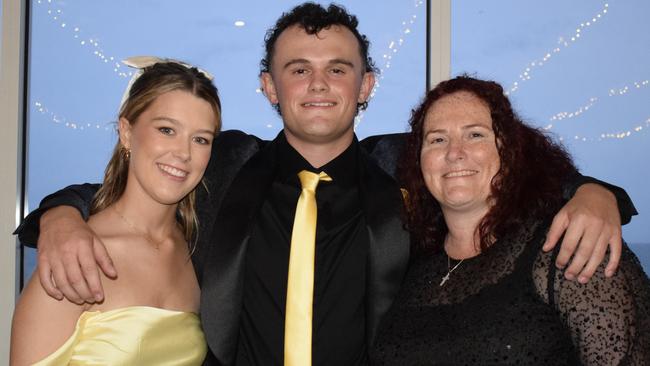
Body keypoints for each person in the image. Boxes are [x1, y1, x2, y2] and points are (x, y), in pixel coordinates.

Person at [15, 3, 636, 365]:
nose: (318, 85)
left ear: (366, 87)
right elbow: (125, 182)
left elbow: (505, 165)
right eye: (298, 69)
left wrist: (597, 193)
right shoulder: (222, 164)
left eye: (338, 69)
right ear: (268, 86)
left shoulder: (405, 166)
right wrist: (58, 219)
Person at [370, 76, 650, 365]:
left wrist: (595, 192)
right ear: (418, 161)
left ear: (510, 151)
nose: (454, 153)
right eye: (437, 139)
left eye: (475, 135)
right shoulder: (411, 262)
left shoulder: (568, 249)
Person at [11, 58, 222, 365]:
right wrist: (59, 216)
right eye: (166, 129)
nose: (183, 153)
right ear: (126, 132)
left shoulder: (199, 252)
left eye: (200, 139)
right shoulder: (73, 256)